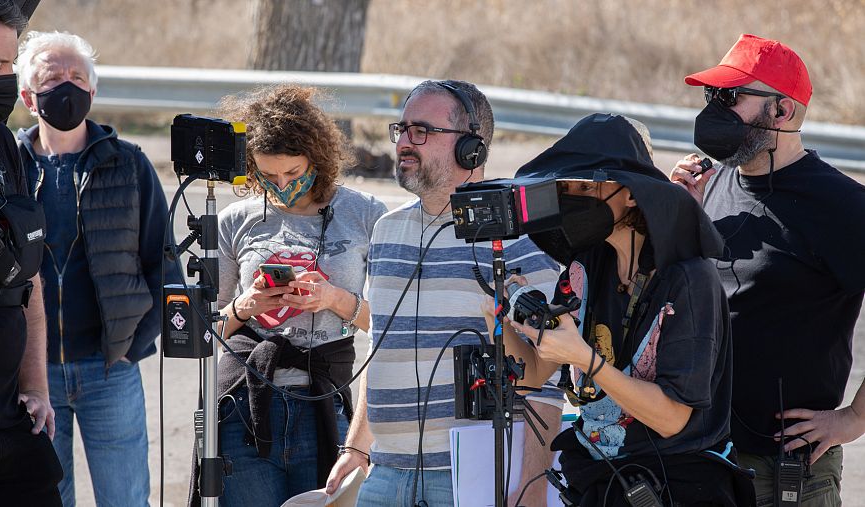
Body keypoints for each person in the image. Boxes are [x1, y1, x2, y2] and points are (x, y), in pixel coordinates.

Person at [326, 79, 563, 507]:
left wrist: (532, 486)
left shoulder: (518, 241)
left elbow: (548, 381)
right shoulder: (386, 231)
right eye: (401, 130)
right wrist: (357, 447)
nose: (404, 143)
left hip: (468, 477)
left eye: (422, 131)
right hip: (385, 473)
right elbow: (381, 349)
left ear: (470, 149)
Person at [495, 113, 753, 505]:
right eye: (568, 188)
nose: (573, 199)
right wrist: (499, 317)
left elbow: (671, 418)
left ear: (632, 193)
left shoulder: (688, 279)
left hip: (676, 486)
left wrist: (584, 358)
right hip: (599, 481)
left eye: (588, 186)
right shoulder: (585, 268)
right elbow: (531, 375)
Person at [671, 34, 865, 505]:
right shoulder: (710, 185)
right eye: (711, 97)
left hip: (786, 473)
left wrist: (855, 419)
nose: (715, 111)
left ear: (782, 112)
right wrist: (679, 221)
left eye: (731, 98)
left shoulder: (841, 205)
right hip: (703, 453)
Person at [204, 84, 388, 506]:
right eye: (268, 176)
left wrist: (335, 300)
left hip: (323, 403)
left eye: (293, 173)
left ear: (318, 160)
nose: (282, 184)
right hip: (244, 405)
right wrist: (245, 306)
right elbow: (204, 331)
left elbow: (391, 326)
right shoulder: (234, 220)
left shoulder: (367, 214)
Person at [15, 30, 177, 506]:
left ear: (92, 90)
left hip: (111, 372)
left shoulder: (129, 165)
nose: (67, 86)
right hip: (31, 376)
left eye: (77, 77)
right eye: (53, 78)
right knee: (48, 497)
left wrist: (133, 345)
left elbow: (162, 263)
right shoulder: (7, 166)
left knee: (125, 499)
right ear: (28, 96)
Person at [0, 2, 63, 505]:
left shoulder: (0, 145)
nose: (6, 83)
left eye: (10, 67)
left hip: (8, 421)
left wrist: (38, 390)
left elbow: (30, 280)